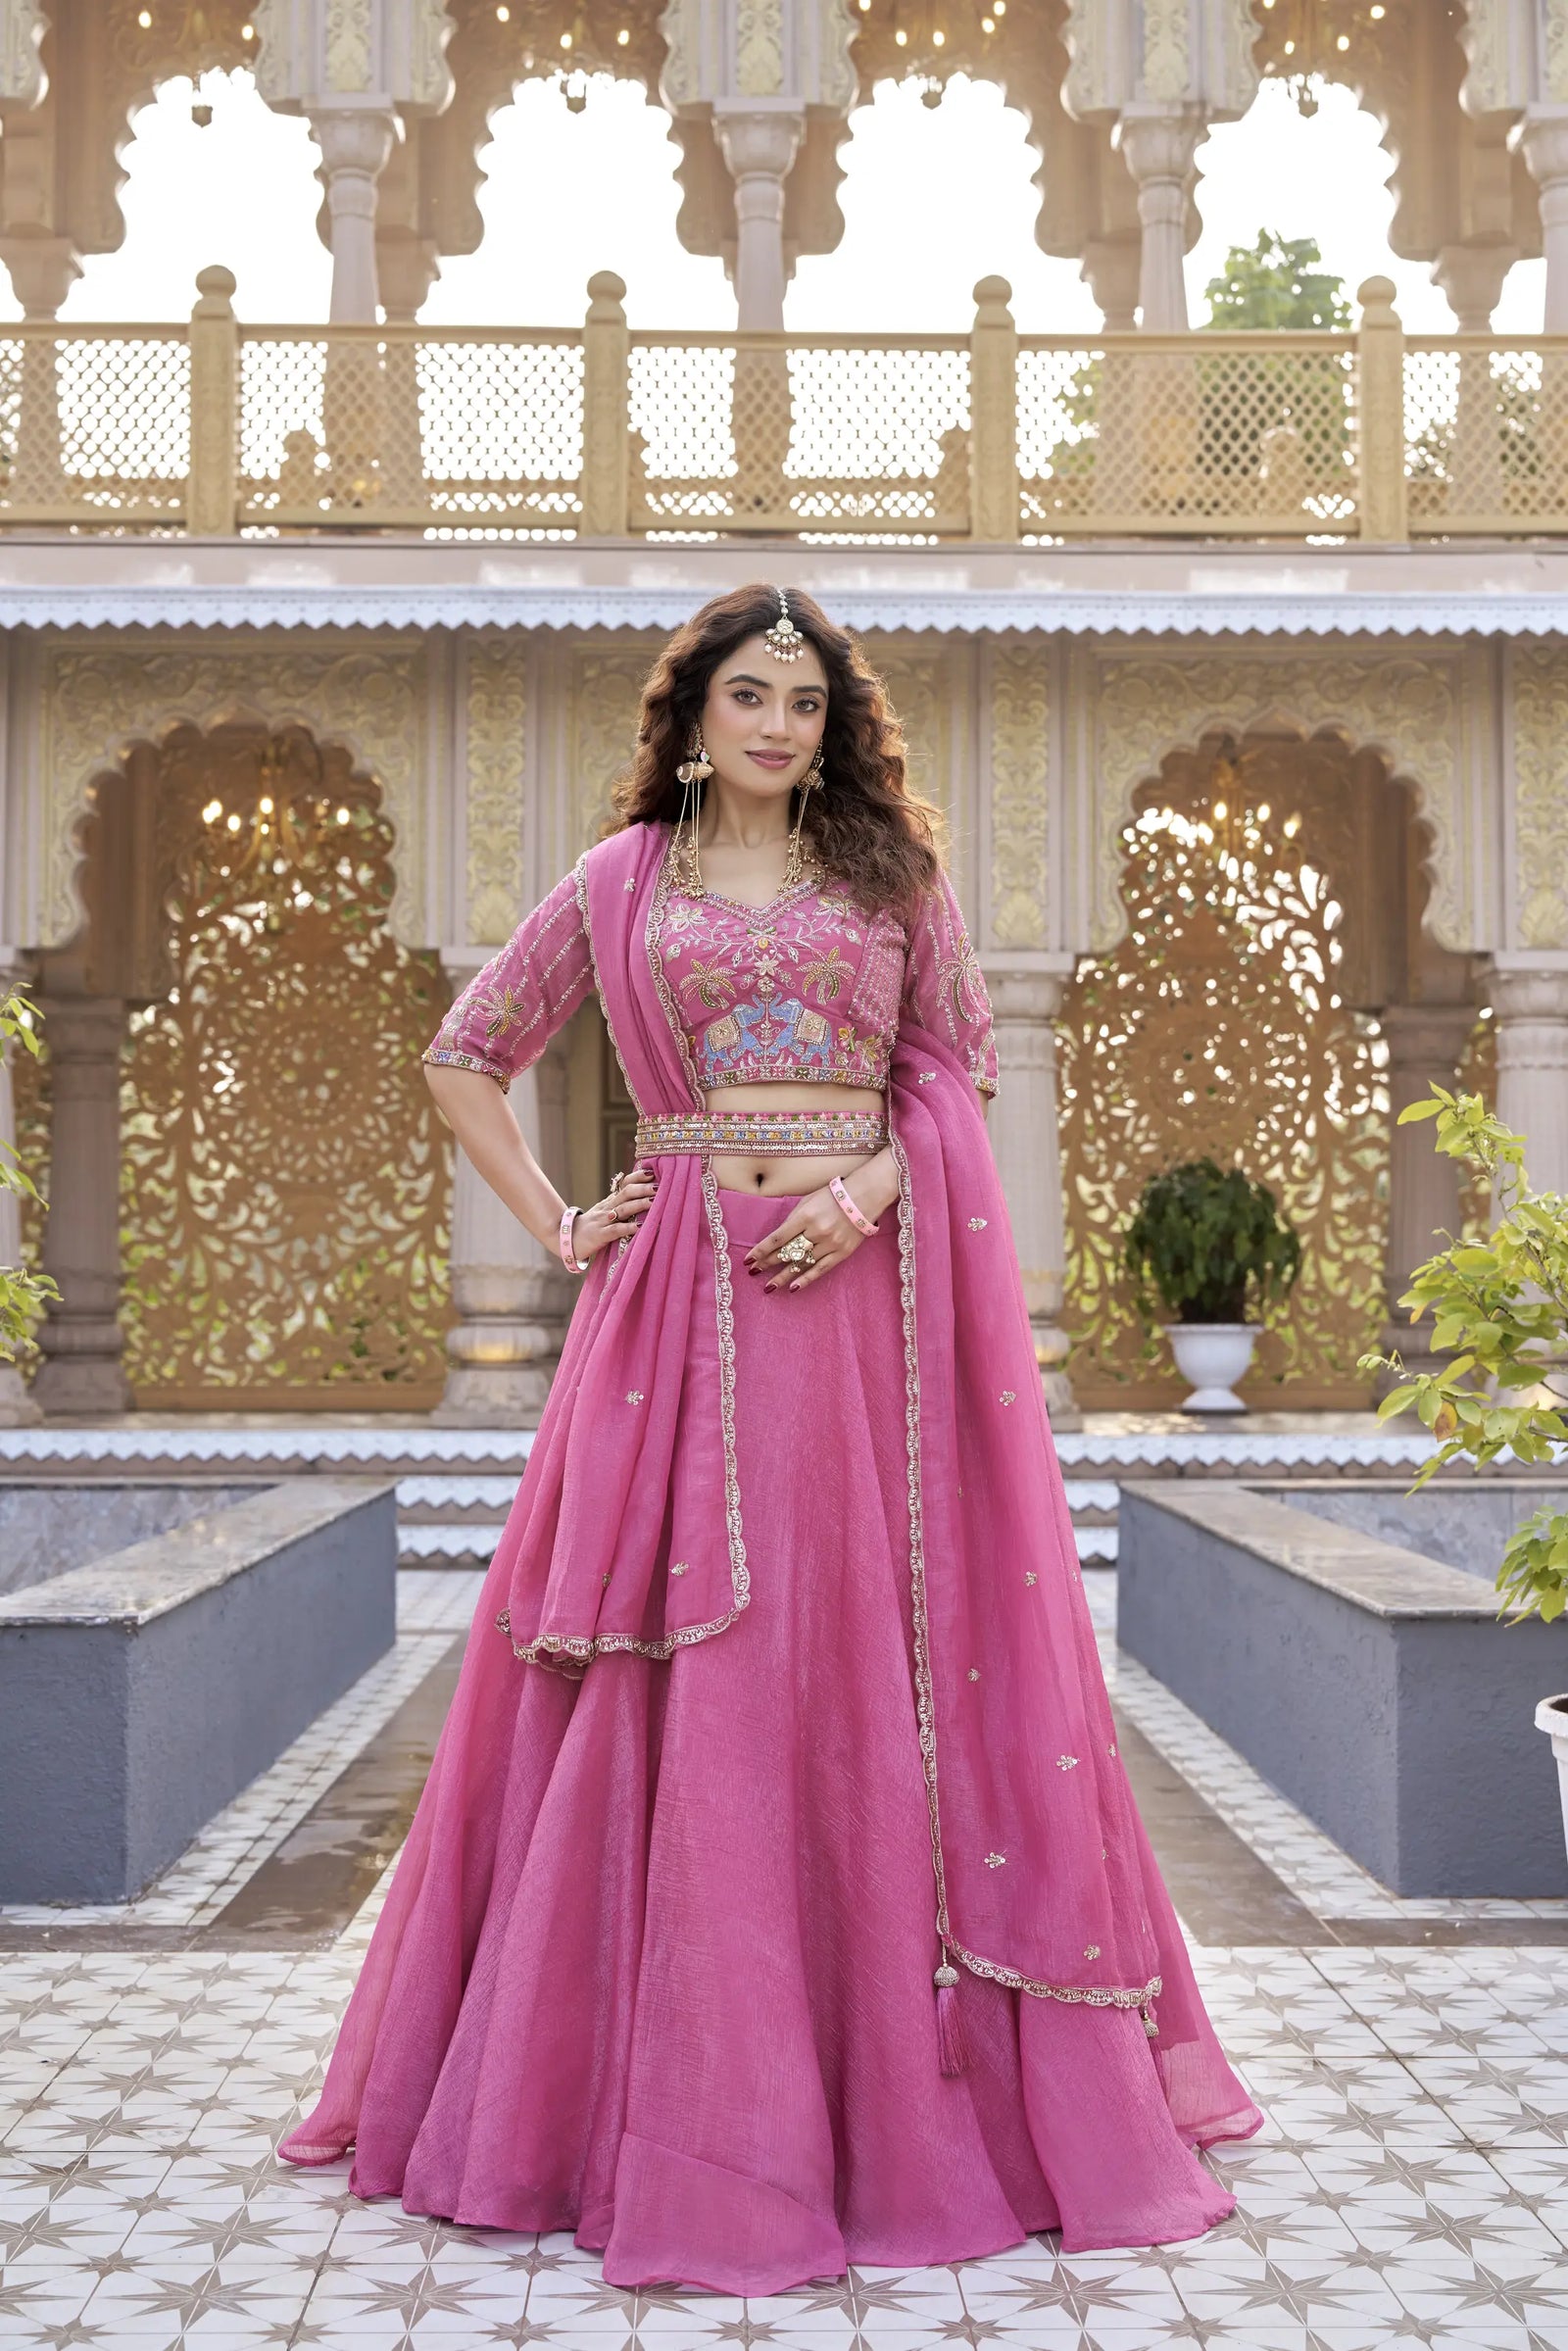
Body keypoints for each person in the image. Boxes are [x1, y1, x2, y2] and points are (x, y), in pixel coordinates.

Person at [278, 582, 1262, 2293]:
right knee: (666, 1672)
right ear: (692, 711)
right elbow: (466, 1053)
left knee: (843, 1657)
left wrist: (880, 1182)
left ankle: (890, 2087)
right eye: (751, 695)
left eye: (807, 703)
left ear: (834, 727)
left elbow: (959, 1078)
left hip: (850, 1313)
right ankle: (620, 2102)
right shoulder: (617, 884)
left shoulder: (894, 885)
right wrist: (561, 1220)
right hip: (674, 1306)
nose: (780, 726)